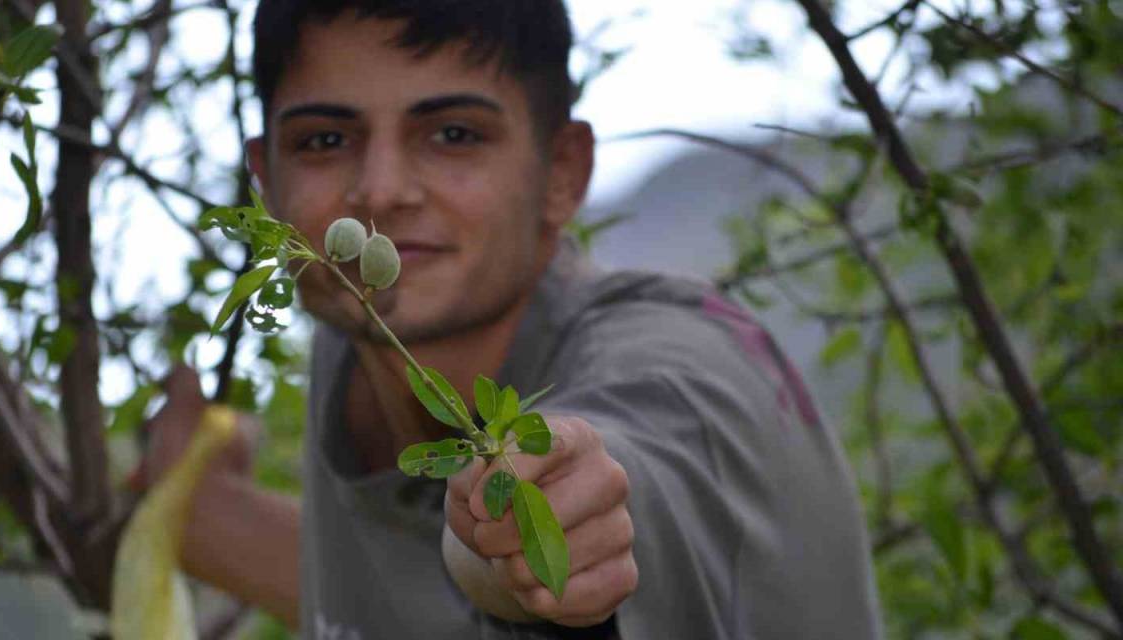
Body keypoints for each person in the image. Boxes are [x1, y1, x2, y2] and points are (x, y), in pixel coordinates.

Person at [135, 1, 884, 638]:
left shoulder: (690, 359)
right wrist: (195, 514)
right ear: (267, 181)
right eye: (325, 141)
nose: (380, 191)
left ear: (562, 173)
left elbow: (621, 475)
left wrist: (527, 527)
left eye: (453, 133)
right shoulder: (358, 336)